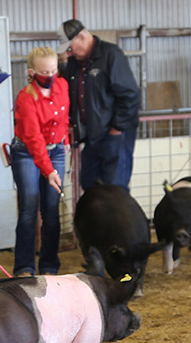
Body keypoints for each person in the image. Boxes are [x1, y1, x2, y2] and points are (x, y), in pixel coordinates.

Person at [57, 19, 140, 190]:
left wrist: (117, 128)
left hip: (115, 135)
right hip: (92, 136)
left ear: (82, 37)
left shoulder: (111, 55)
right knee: (89, 186)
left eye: (70, 48)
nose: (70, 53)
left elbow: (130, 94)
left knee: (114, 190)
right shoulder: (74, 64)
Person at [10, 47, 69, 277]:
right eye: (45, 71)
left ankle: (49, 266)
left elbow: (64, 116)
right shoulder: (26, 97)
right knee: (29, 207)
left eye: (54, 70)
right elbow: (34, 139)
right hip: (26, 151)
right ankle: (24, 267)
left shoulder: (62, 86)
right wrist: (49, 171)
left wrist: (64, 138)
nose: (51, 75)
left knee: (52, 210)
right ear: (32, 72)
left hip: (56, 150)